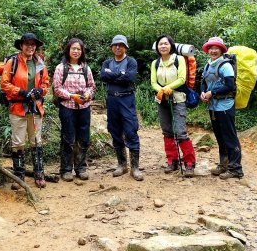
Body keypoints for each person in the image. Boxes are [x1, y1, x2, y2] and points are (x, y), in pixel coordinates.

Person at [1, 33, 50, 188]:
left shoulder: (40, 62)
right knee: (18, 143)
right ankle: (19, 175)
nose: (30, 47)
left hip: (35, 108)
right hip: (17, 107)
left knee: (36, 141)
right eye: (27, 44)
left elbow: (45, 83)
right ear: (21, 46)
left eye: (33, 44)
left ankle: (39, 174)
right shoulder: (12, 62)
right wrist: (21, 92)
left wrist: (39, 91)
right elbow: (5, 83)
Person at [151, 35, 196, 177]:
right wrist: (162, 91)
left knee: (180, 132)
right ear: (157, 47)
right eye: (160, 44)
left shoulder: (179, 59)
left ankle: (189, 163)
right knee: (167, 131)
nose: (163, 46)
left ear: (171, 46)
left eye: (166, 44)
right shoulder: (155, 63)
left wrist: (168, 87)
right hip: (162, 100)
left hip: (178, 99)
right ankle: (172, 161)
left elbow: (182, 78)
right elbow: (153, 82)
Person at [200, 36, 244, 179]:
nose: (213, 51)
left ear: (221, 50)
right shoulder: (208, 65)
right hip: (213, 107)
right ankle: (224, 164)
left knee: (229, 136)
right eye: (211, 48)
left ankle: (236, 168)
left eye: (216, 48)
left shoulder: (225, 65)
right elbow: (204, 82)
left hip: (225, 105)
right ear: (207, 50)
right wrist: (203, 93)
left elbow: (230, 85)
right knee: (220, 136)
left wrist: (211, 92)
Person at [101, 35, 143, 181]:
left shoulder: (131, 61)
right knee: (114, 130)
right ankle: (122, 164)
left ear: (125, 47)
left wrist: (112, 75)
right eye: (115, 45)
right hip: (112, 99)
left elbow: (129, 78)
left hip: (127, 98)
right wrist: (120, 75)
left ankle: (135, 167)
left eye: (121, 45)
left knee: (131, 130)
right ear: (112, 47)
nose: (118, 47)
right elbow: (103, 76)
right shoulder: (107, 62)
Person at [53, 38, 96, 182]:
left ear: (82, 51)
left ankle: (81, 168)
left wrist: (89, 94)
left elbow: (92, 86)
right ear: (68, 50)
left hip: (84, 107)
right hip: (67, 107)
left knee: (83, 138)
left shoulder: (86, 68)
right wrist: (72, 96)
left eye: (78, 49)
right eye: (73, 49)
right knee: (68, 138)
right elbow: (57, 89)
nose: (76, 51)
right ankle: (66, 169)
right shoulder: (61, 68)